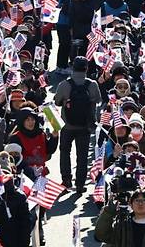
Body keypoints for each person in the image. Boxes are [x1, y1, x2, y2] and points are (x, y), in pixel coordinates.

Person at [54, 56, 100, 194]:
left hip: (67, 126)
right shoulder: (92, 85)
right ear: (86, 68)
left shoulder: (64, 85)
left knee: (64, 152)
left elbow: (57, 102)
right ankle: (80, 184)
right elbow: (97, 100)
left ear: (73, 67)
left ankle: (66, 180)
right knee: (82, 156)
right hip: (85, 126)